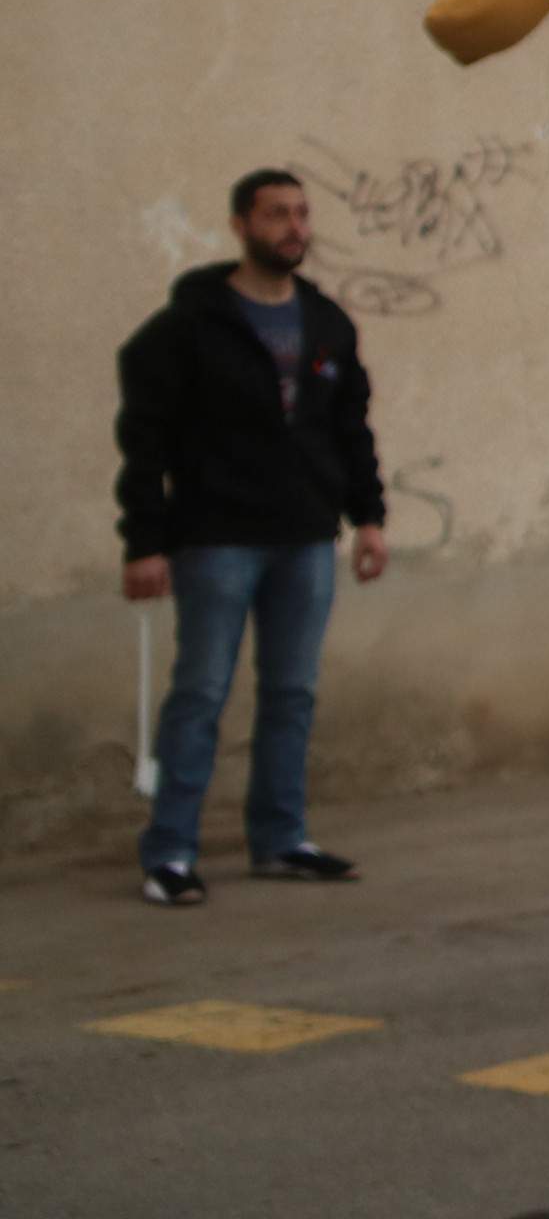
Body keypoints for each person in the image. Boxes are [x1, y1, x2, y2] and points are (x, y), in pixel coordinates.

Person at [116, 167, 388, 907]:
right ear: (240, 225)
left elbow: (350, 426)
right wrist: (144, 540)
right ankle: (170, 852)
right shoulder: (188, 327)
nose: (294, 228)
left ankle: (281, 839)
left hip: (306, 537)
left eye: (302, 214)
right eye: (277, 215)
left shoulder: (326, 323)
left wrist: (369, 517)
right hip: (217, 538)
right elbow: (145, 440)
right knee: (200, 695)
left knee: (292, 694)